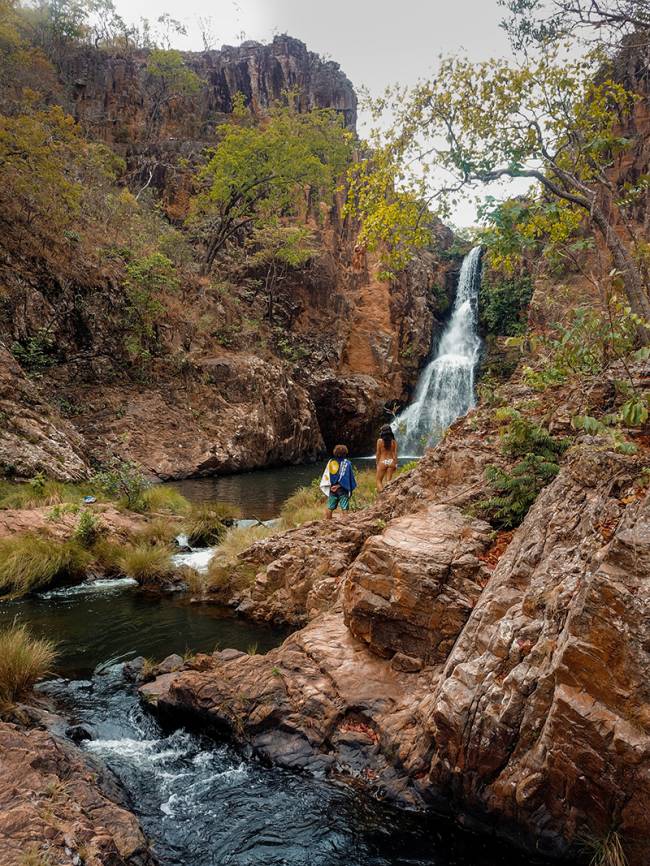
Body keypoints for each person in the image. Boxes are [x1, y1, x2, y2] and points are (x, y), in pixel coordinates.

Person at [320, 444, 357, 520]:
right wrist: (340, 485)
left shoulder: (331, 462)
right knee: (344, 507)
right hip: (343, 488)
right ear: (345, 453)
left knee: (330, 507)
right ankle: (345, 523)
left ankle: (328, 522)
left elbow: (327, 475)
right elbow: (348, 477)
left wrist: (331, 486)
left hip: (332, 488)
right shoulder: (347, 463)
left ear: (335, 452)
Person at [376, 424, 398, 492]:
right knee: (388, 482)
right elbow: (395, 454)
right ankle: (388, 495)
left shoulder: (379, 441)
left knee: (378, 480)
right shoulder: (393, 442)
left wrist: (377, 463)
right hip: (391, 461)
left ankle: (382, 496)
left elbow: (378, 453)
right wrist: (396, 464)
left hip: (383, 462)